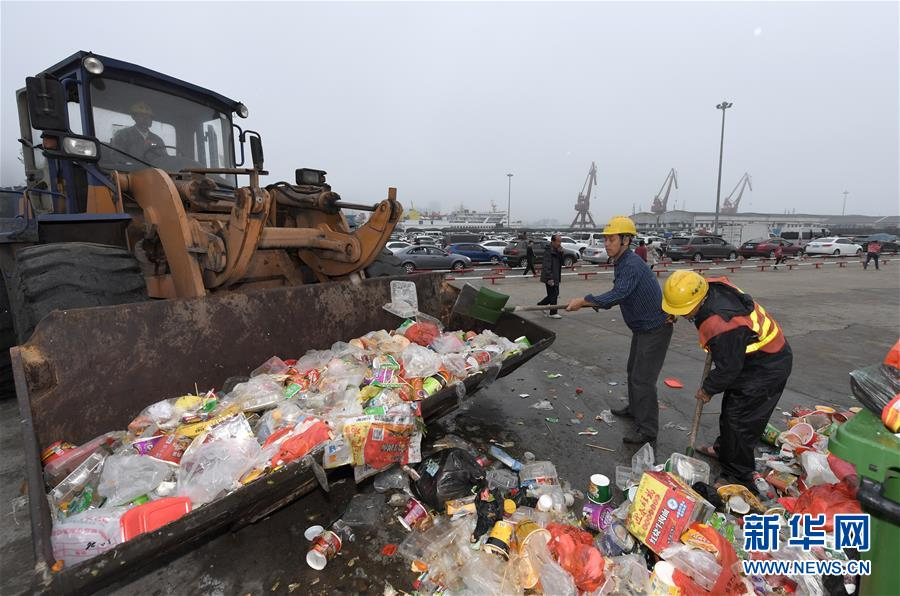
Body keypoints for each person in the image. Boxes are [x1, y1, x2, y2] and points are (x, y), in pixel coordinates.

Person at [661, 270, 793, 487]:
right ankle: (724, 450)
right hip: (748, 357)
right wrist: (674, 311)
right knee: (732, 411)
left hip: (766, 367)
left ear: (697, 301)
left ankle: (737, 476)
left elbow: (728, 369)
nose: (684, 316)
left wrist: (707, 389)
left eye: (684, 311)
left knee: (740, 422)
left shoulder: (721, 324)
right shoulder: (707, 285)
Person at [566, 216, 673, 444]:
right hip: (643, 328)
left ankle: (647, 430)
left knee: (642, 379)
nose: (607, 244)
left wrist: (584, 301)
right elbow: (620, 294)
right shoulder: (622, 262)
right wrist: (588, 301)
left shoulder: (631, 264)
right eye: (605, 239)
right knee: (633, 371)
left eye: (611, 239)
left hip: (655, 329)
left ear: (625, 240)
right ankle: (635, 409)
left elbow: (617, 295)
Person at [538, 235, 563, 319]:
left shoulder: (557, 250)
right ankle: (553, 312)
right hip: (550, 276)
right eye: (558, 241)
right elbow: (546, 265)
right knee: (553, 294)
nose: (559, 243)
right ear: (553, 241)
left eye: (560, 241)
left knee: (554, 294)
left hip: (556, 275)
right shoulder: (548, 251)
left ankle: (541, 305)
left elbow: (561, 262)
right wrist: (549, 278)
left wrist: (561, 252)